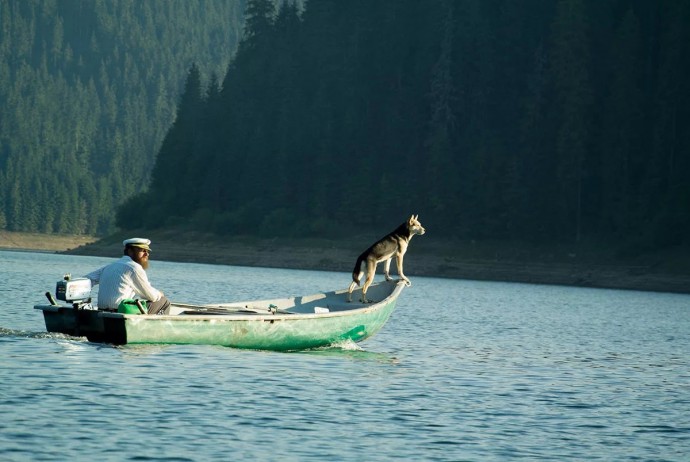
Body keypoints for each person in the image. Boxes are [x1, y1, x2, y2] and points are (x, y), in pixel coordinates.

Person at [85, 238, 171, 315]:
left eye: (147, 251)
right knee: (163, 301)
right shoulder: (135, 268)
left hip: (102, 312)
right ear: (130, 251)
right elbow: (150, 296)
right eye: (143, 250)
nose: (147, 254)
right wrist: (159, 293)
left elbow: (87, 279)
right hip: (121, 312)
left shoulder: (110, 266)